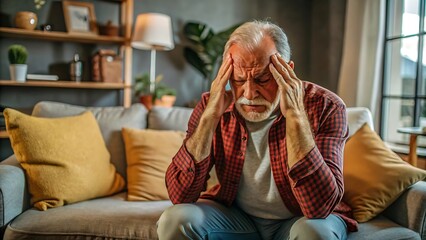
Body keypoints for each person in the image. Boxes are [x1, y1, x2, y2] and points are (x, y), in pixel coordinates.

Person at [157, 20, 357, 240]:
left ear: (286, 70)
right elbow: (180, 195)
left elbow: (320, 207)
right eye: (238, 79)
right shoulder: (212, 105)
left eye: (263, 79)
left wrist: (296, 117)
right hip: (237, 218)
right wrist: (210, 118)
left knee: (315, 233)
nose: (249, 93)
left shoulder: (327, 106)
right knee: (175, 219)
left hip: (300, 219)